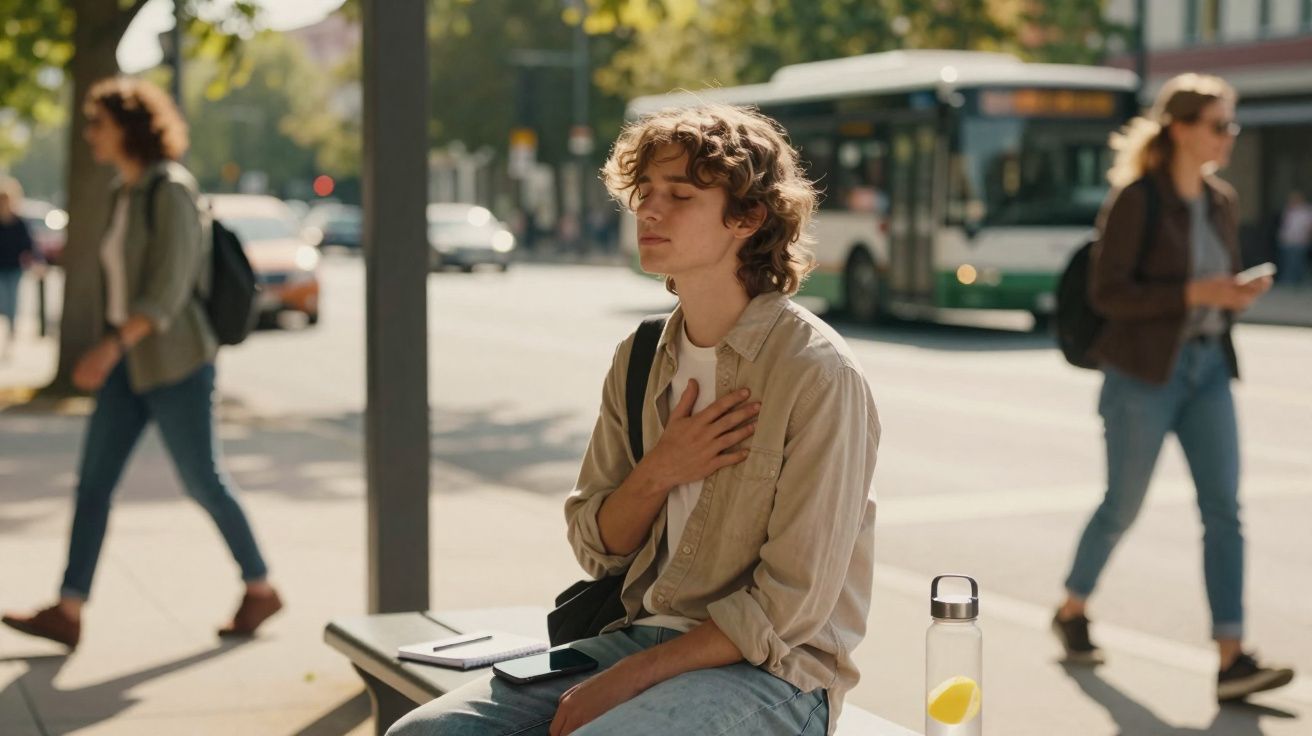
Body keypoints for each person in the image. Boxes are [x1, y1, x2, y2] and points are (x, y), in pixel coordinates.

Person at [389, 105, 879, 736]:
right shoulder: (642, 356)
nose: (649, 210)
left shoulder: (816, 373)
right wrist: (661, 470)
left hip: (773, 673)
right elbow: (596, 548)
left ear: (749, 218)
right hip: (632, 637)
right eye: (644, 192)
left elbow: (789, 607)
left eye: (680, 195)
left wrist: (631, 676)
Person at [2, 77, 281, 649]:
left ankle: (260, 587)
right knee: (93, 484)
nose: (90, 135)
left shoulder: (170, 189)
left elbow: (169, 288)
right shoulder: (123, 192)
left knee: (203, 481)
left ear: (129, 127)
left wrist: (109, 345)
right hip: (131, 363)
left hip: (177, 361)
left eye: (97, 124)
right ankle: (69, 608)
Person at [1052, 73, 1293, 702]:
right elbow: (1108, 294)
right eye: (1220, 124)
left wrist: (1233, 296)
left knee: (1225, 512)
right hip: (1142, 375)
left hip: (1208, 367)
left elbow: (1210, 290)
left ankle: (1232, 658)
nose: (1229, 136)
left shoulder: (1222, 201)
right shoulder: (1138, 200)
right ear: (1182, 128)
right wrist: (1196, 293)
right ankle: (1072, 608)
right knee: (1122, 507)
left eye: (1232, 124)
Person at [0, 176, 37, 360]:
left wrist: (36, 262)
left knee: (11, 304)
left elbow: (29, 246)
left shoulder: (19, 223)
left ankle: (10, 338)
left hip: (14, 269)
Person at [1276, 189, 1312, 285]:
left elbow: (1309, 227)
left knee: (1297, 261)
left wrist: (1307, 238)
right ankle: (1288, 279)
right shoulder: (1289, 210)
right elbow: (1285, 225)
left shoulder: (1307, 211)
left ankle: (1297, 280)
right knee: (1287, 261)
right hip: (1287, 241)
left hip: (1300, 241)